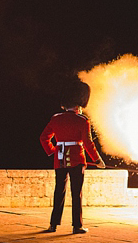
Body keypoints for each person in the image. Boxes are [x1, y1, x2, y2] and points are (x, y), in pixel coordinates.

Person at [40, 80, 105, 234]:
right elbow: (89, 144)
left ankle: (53, 225)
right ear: (79, 105)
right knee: (77, 194)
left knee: (59, 192)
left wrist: (53, 151)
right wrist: (97, 160)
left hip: (60, 159)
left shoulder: (55, 118)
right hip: (77, 160)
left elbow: (44, 138)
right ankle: (77, 226)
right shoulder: (82, 121)